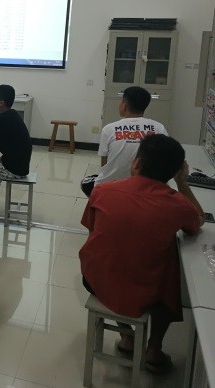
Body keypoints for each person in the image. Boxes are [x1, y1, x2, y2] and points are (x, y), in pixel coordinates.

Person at [79, 134, 203, 374]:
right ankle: (154, 350)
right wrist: (183, 183)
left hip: (96, 280)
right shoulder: (177, 204)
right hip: (148, 290)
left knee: (110, 259)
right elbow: (197, 223)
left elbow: (91, 228)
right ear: (176, 171)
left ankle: (127, 337)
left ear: (136, 163)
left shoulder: (102, 191)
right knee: (170, 269)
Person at [81, 86, 167, 197]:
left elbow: (105, 164)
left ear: (124, 105)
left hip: (110, 187)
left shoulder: (109, 129)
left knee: (85, 182)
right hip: (146, 188)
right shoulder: (159, 128)